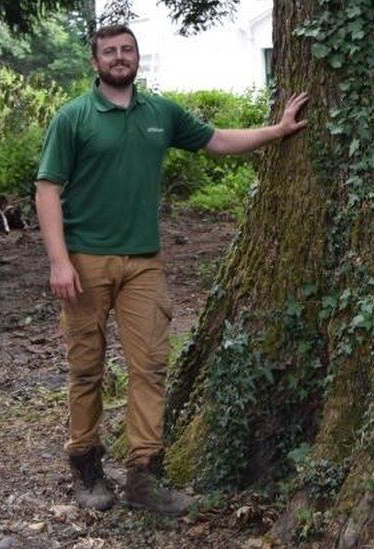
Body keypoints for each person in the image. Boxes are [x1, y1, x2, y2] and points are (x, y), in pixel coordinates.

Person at [35, 24, 309, 515]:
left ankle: (144, 477)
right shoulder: (73, 118)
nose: (120, 57)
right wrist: (58, 260)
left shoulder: (160, 112)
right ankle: (86, 465)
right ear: (94, 62)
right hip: (84, 261)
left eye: (127, 50)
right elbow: (48, 189)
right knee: (86, 368)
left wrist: (278, 130)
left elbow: (218, 140)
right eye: (110, 52)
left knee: (150, 367)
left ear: (138, 58)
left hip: (143, 262)